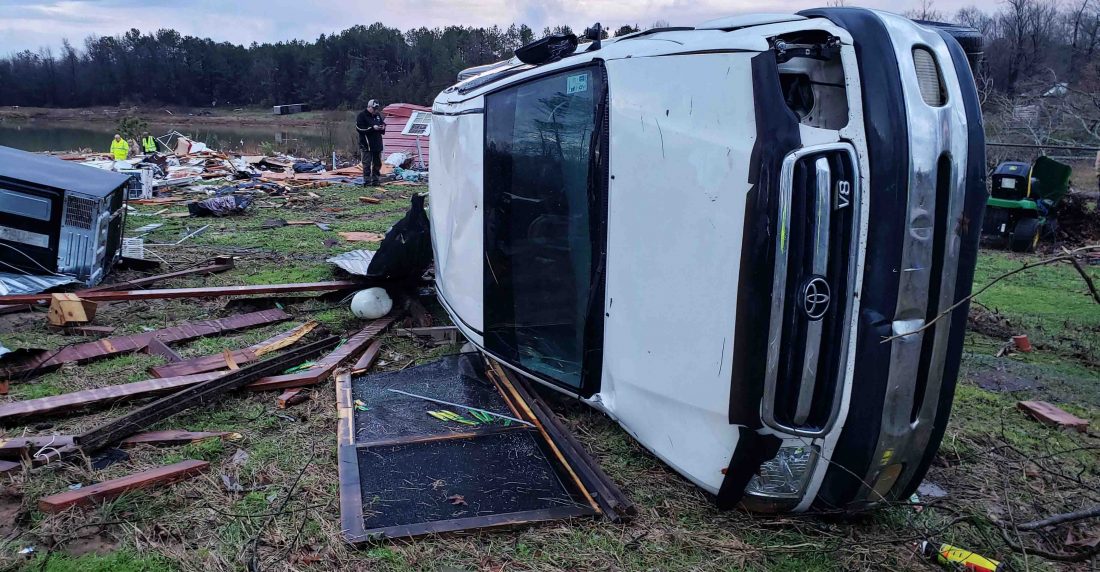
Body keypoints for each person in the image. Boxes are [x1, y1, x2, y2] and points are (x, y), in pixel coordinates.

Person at [356, 100, 386, 186]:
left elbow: (382, 123)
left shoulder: (377, 115)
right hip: (366, 144)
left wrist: (383, 127)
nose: (375, 110)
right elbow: (359, 128)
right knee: (367, 163)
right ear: (369, 107)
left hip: (377, 143)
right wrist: (372, 128)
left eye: (376, 109)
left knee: (377, 163)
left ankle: (376, 180)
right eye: (374, 109)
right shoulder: (361, 116)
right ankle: (367, 181)